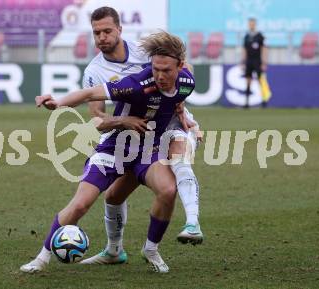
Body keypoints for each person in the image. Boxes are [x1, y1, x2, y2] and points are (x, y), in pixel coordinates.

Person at [20, 31, 195, 274]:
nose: (160, 75)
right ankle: (41, 258)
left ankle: (151, 249)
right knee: (81, 204)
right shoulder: (136, 84)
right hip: (114, 149)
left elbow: (182, 91)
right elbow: (90, 94)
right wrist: (58, 102)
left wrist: (184, 115)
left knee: (167, 190)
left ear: (180, 66)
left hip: (149, 152)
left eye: (166, 70)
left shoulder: (187, 81)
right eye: (156, 68)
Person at [78, 7, 204, 266]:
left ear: (120, 29)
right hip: (135, 135)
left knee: (175, 171)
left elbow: (183, 67)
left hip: (168, 125)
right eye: (96, 32)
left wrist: (179, 103)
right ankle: (114, 251)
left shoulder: (143, 52)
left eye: (107, 31)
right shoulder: (94, 71)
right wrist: (123, 121)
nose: (101, 37)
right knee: (113, 196)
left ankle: (190, 224)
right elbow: (96, 118)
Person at [242, 17, 268, 108]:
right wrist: (243, 62)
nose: (251, 25)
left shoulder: (260, 36)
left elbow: (264, 49)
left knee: (260, 80)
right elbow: (244, 50)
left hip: (257, 61)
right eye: (250, 23)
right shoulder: (246, 36)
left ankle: (264, 101)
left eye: (252, 23)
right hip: (249, 61)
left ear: (255, 24)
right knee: (248, 81)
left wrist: (264, 62)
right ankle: (246, 102)